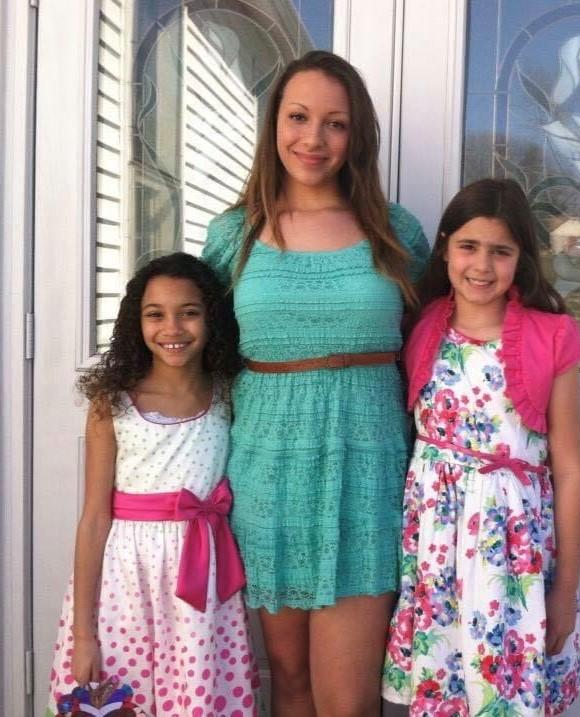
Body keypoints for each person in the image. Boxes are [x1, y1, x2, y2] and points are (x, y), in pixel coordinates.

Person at [202, 50, 429, 716]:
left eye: (335, 123)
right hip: (265, 478)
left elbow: (441, 342)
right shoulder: (233, 234)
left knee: (347, 697)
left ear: (356, 135)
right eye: (298, 117)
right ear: (273, 124)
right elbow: (196, 349)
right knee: (289, 679)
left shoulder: (396, 231)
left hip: (365, 476)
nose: (313, 138)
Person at [382, 178, 580, 716]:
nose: (482, 265)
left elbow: (569, 470)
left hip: (510, 555)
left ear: (522, 259)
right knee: (444, 688)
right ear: (446, 246)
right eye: (468, 246)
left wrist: (565, 590)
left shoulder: (551, 336)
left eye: (501, 251)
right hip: (434, 550)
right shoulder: (421, 326)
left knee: (502, 691)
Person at [46, 253, 259, 717]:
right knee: (124, 696)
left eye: (189, 312)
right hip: (126, 582)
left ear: (212, 318)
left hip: (200, 579)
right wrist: (85, 634)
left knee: (196, 693)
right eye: (155, 314)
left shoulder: (228, 394)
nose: (173, 328)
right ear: (135, 322)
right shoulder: (113, 401)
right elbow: (94, 517)